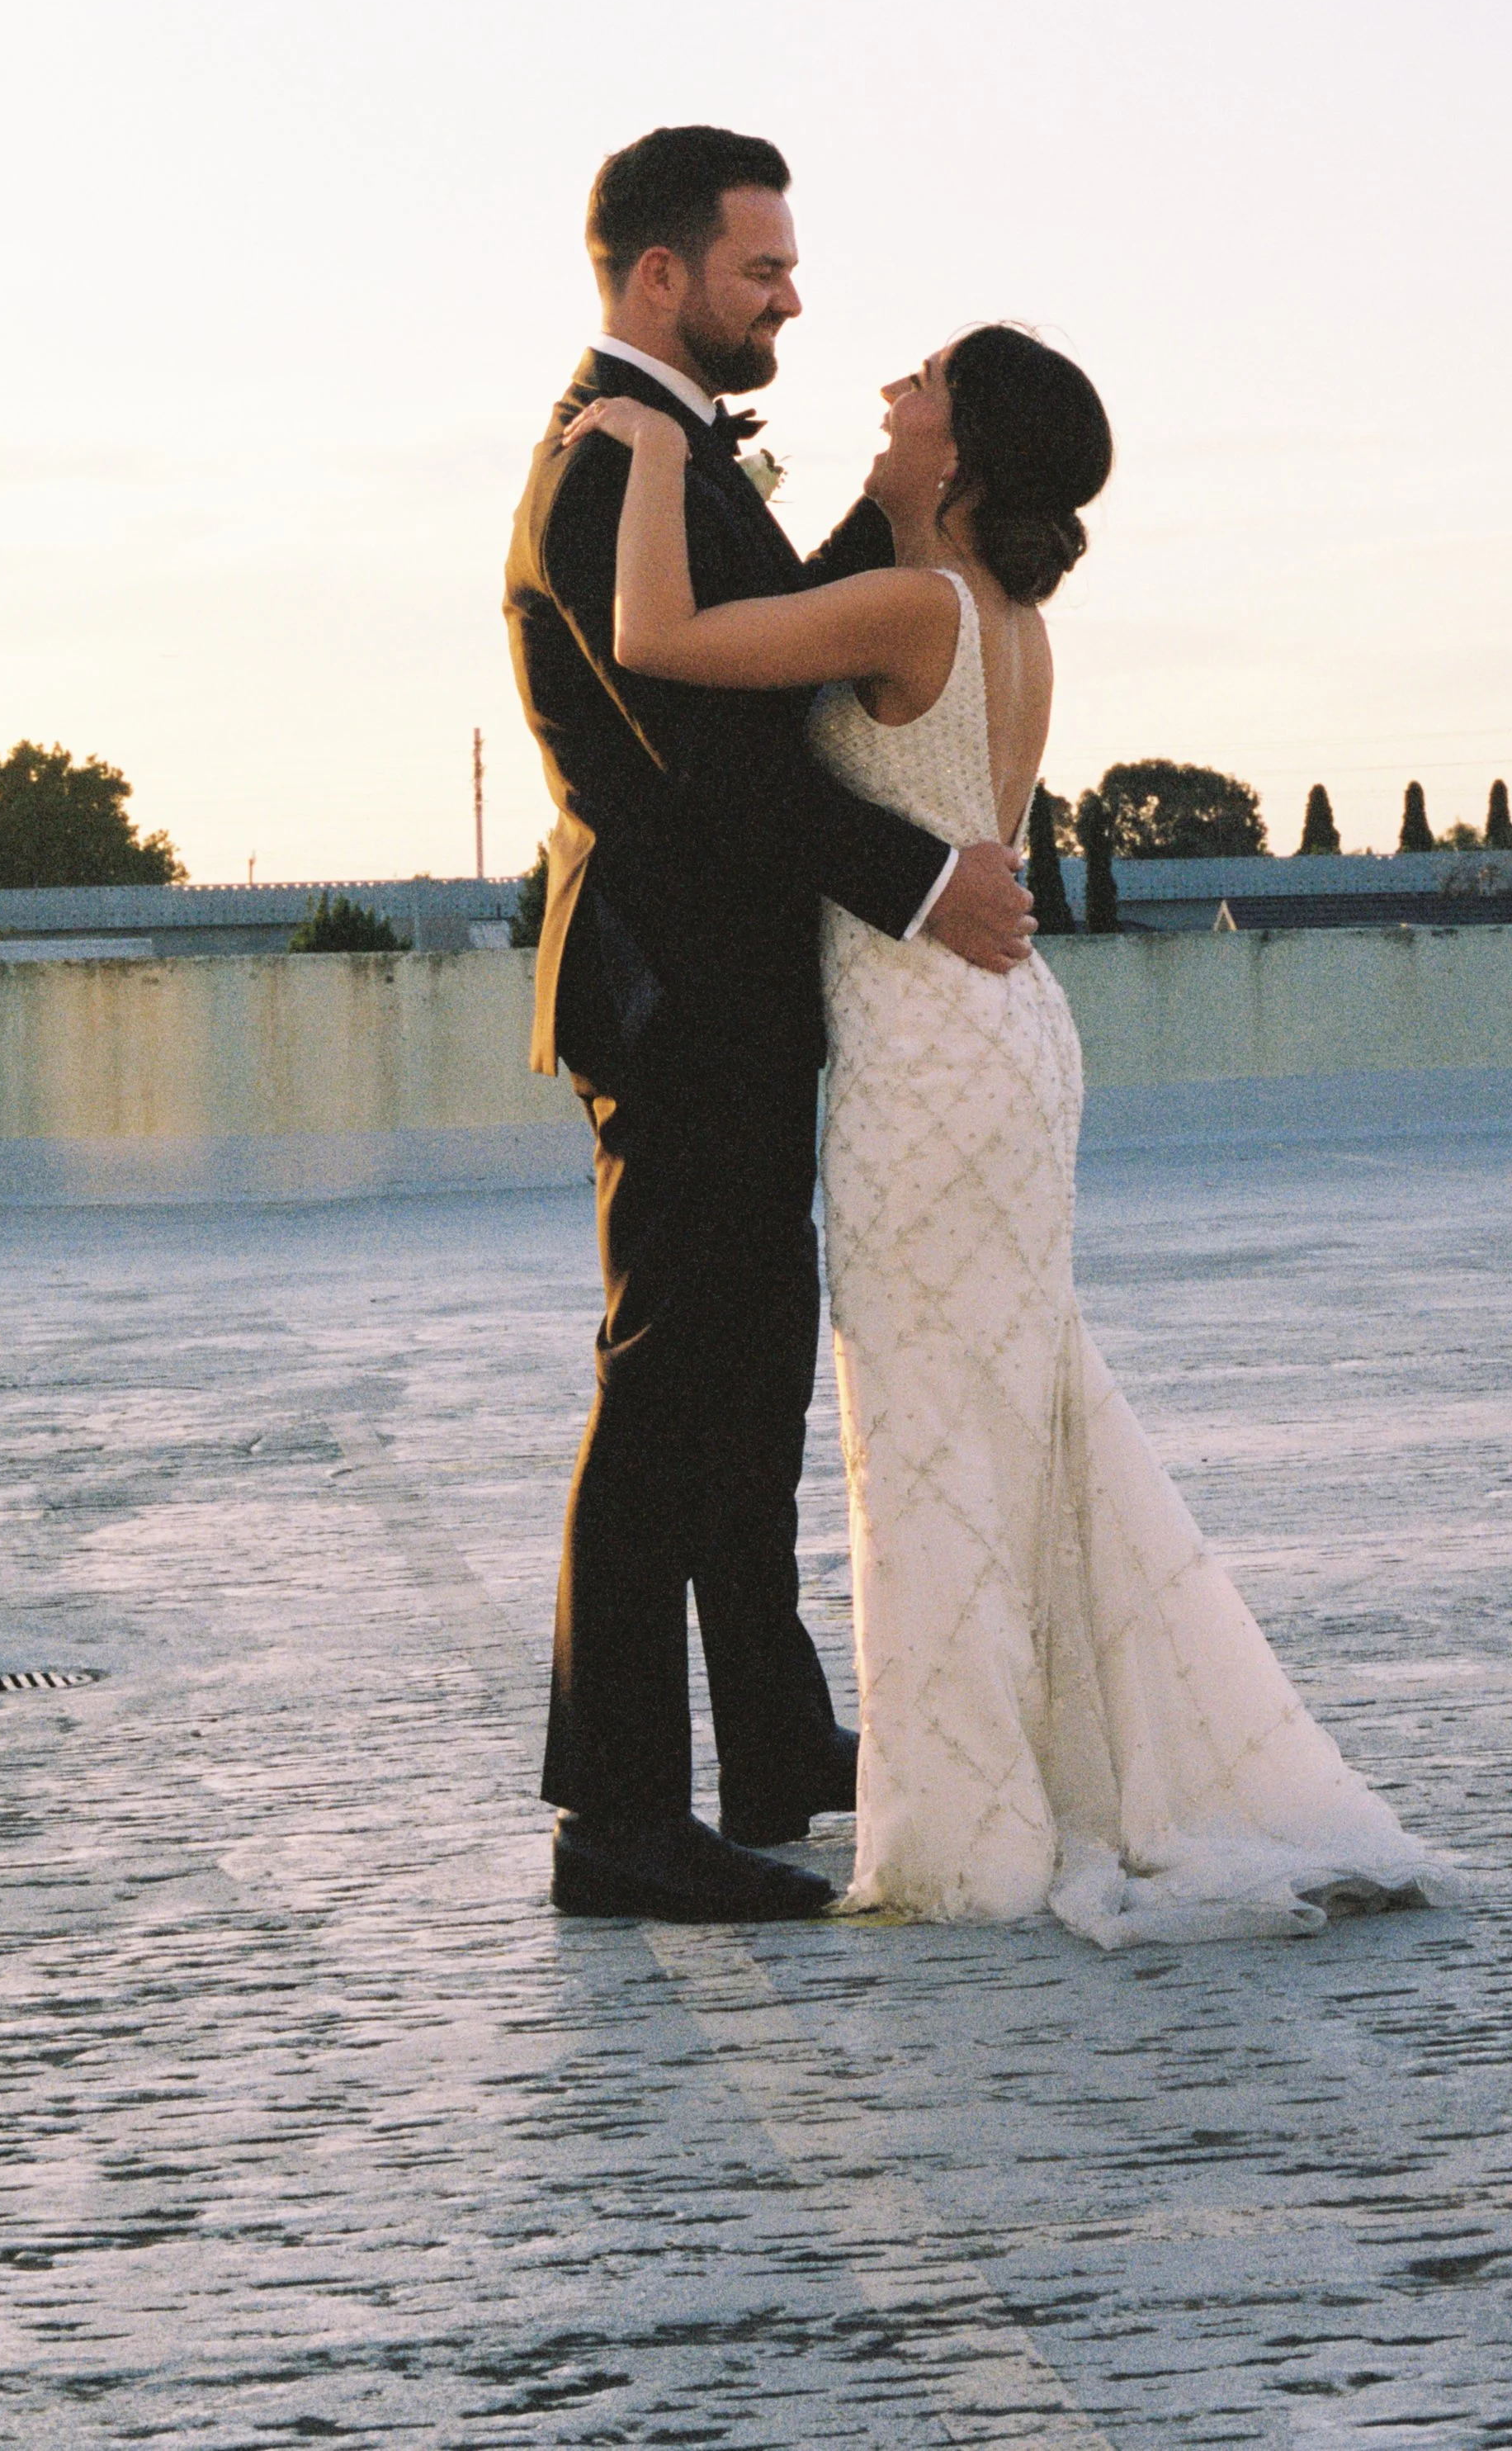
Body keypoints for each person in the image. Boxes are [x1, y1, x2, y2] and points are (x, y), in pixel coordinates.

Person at [566, 324, 1444, 1945]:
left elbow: (651, 634)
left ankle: (967, 1832)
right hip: (999, 1039)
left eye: (919, 386)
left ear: (958, 452)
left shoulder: (916, 609)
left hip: (934, 1066)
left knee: (933, 1438)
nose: (889, 393)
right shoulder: (996, 610)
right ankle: (1035, 1774)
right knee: (1007, 1413)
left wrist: (652, 457)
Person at [504, 127, 1037, 1928]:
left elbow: (768, 637)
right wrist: (912, 879)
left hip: (732, 991)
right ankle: (620, 1825)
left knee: (747, 1383)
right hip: (670, 993)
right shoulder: (603, 463)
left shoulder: (665, 450)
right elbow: (708, 754)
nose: (792, 300)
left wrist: (881, 538)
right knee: (667, 1391)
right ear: (661, 275)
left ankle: (772, 1746)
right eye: (762, 272)